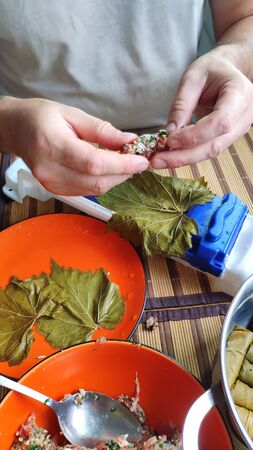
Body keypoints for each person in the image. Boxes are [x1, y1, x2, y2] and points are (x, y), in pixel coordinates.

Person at [0, 0, 252, 196]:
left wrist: (235, 57)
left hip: (186, 148)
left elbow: (244, 16)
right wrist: (8, 125)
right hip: (22, 154)